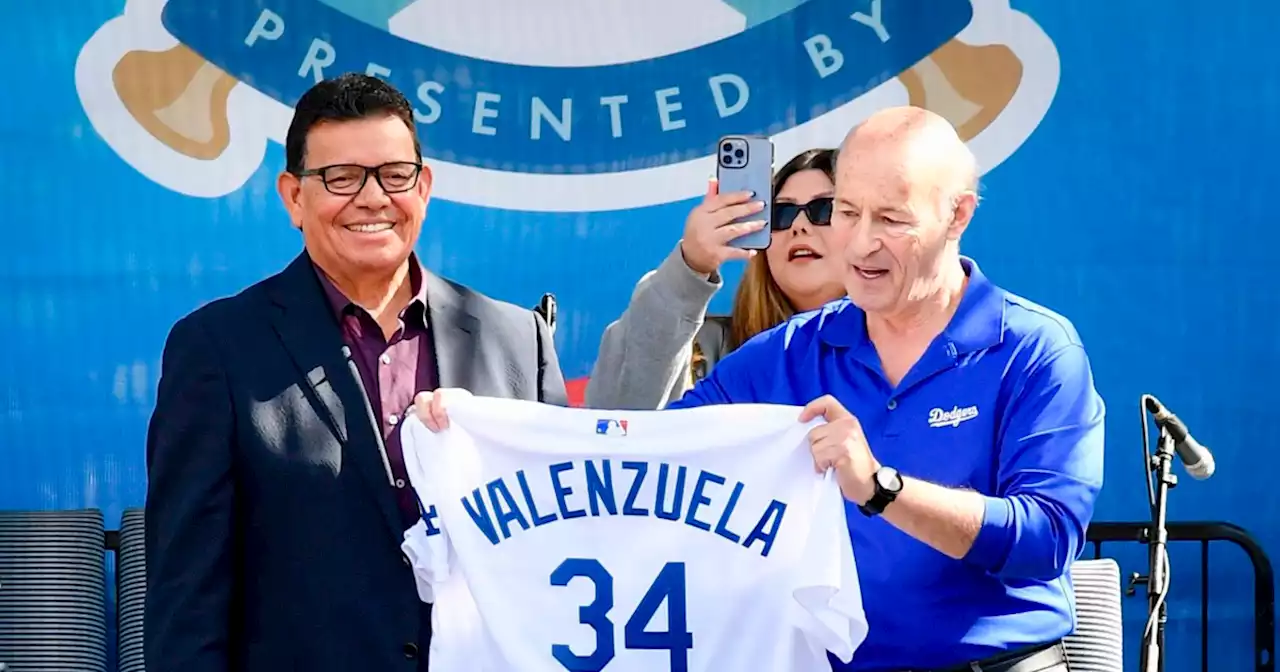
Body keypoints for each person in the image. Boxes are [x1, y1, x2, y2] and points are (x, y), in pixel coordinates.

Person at [418, 106, 1104, 671]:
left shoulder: (1035, 349)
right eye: (848, 212)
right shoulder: (789, 353)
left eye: (890, 220)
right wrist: (480, 430)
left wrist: (883, 489)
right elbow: (639, 454)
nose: (859, 243)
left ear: (958, 216)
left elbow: (1046, 537)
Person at [144, 73, 566, 672]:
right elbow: (186, 598)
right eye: (341, 178)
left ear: (423, 187)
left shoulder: (518, 340)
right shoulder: (217, 349)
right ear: (293, 197)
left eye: (394, 175)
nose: (372, 199)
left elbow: (560, 551)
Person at [586, 149, 847, 409]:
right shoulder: (706, 349)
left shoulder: (885, 358)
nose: (798, 225)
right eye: (782, 213)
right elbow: (617, 420)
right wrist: (691, 265)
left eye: (824, 209)